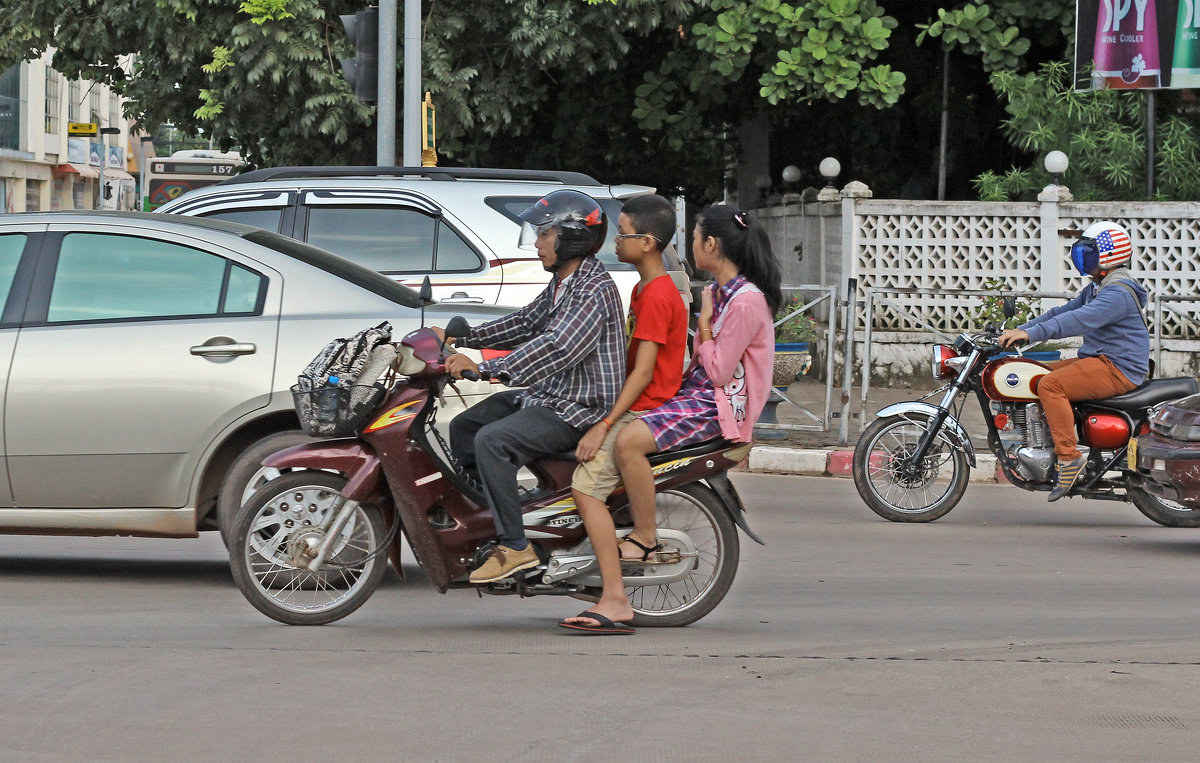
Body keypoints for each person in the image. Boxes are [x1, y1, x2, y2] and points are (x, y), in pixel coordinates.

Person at [566, 203, 780, 630]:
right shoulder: (721, 291)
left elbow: (719, 371)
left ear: (711, 245)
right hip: (698, 394)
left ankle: (645, 538)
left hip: (717, 406)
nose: (689, 246)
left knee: (629, 442)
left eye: (695, 238)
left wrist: (702, 328)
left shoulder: (745, 301)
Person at [438, 189, 625, 583]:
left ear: (572, 237)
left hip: (579, 409)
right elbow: (526, 323)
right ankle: (492, 519)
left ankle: (515, 547)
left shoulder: (594, 289)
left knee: (493, 440)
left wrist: (488, 369)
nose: (537, 243)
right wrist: (464, 336)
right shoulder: (564, 282)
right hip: (549, 396)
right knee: (464, 428)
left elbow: (557, 348)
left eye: (544, 235)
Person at [558, 194, 688, 635]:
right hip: (635, 399)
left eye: (624, 233)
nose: (615, 240)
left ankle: (615, 599)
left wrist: (606, 423)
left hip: (643, 407)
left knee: (587, 491)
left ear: (648, 243)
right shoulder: (645, 288)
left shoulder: (656, 297)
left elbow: (645, 371)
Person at [999, 221, 1150, 502]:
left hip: (1118, 368)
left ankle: (1068, 458)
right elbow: (1062, 311)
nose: (1082, 257)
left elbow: (1076, 320)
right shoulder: (1098, 287)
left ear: (1109, 255)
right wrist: (1022, 331)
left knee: (1050, 385)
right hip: (1099, 360)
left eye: (1088, 252)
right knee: (1033, 375)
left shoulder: (1117, 293)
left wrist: (1030, 333)